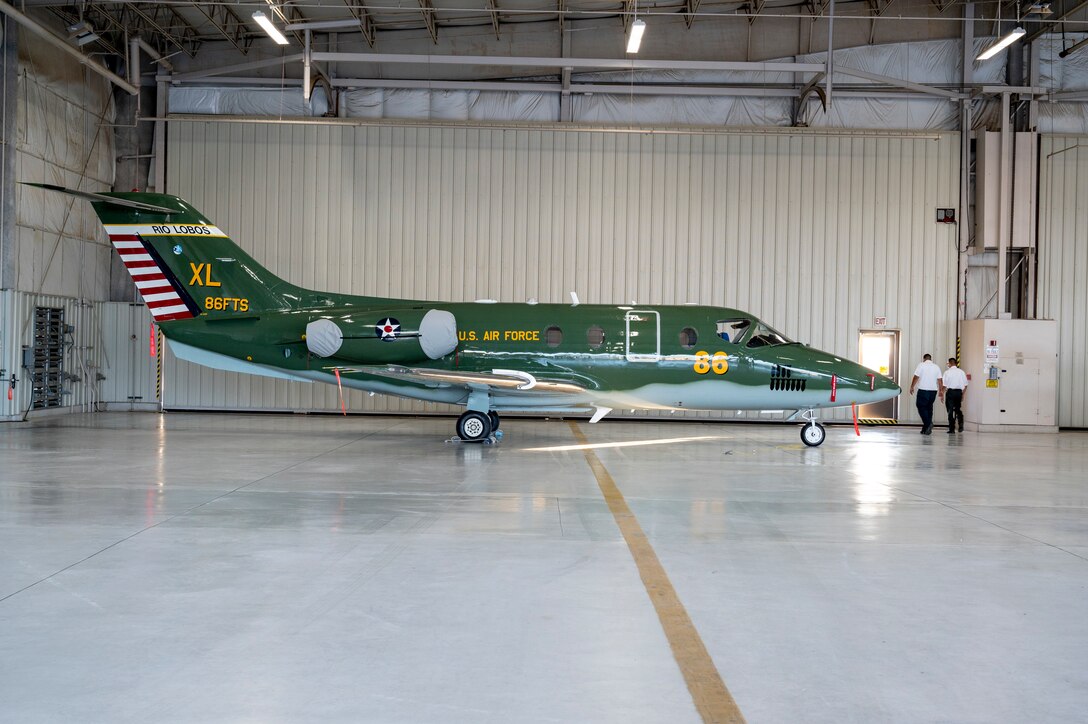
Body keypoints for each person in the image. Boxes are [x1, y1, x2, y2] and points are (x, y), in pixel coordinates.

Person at [909, 353, 944, 435]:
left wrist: (912, 386)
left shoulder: (921, 365)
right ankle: (926, 429)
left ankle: (928, 424)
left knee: (921, 406)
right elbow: (940, 380)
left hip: (923, 390)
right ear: (930, 359)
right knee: (929, 408)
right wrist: (941, 391)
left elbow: (916, 376)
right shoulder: (936, 367)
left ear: (924, 359)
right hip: (933, 391)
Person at [940, 357, 968, 433]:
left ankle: (951, 428)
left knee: (950, 410)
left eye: (948, 363)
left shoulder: (947, 372)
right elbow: (965, 385)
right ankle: (960, 423)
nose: (947, 365)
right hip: (959, 392)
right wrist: (963, 395)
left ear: (950, 363)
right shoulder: (961, 372)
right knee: (958, 409)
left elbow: (944, 386)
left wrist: (942, 394)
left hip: (950, 393)